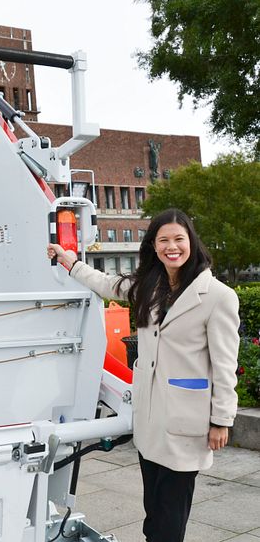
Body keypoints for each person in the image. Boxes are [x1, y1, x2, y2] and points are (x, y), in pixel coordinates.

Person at [47, 208, 240, 542]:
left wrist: (222, 420)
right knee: (154, 512)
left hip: (187, 421)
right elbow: (106, 284)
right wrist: (69, 261)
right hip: (150, 420)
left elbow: (225, 364)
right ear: (153, 246)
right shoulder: (148, 286)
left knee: (169, 517)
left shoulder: (218, 297)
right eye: (163, 240)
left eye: (179, 239)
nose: (172, 246)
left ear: (191, 242)